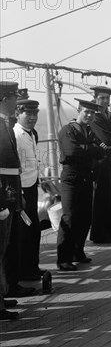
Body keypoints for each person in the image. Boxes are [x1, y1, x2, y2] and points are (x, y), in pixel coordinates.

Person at [56, 98, 105, 271]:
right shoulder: (68, 130)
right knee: (69, 217)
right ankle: (63, 258)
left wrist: (89, 148)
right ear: (79, 111)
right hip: (71, 176)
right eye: (86, 112)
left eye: (92, 113)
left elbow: (103, 149)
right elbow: (70, 152)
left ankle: (78, 251)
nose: (89, 115)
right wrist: (91, 148)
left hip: (86, 176)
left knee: (85, 217)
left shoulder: (90, 131)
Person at [89, 86, 111, 244]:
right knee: (102, 198)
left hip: (110, 159)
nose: (104, 101)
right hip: (100, 161)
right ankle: (99, 234)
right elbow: (106, 139)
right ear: (95, 98)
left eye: (107, 98)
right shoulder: (95, 116)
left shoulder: (109, 115)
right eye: (101, 98)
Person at [13, 99, 43, 281]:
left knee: (34, 230)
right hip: (21, 190)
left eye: (35, 114)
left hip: (32, 187)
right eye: (28, 114)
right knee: (23, 233)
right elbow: (13, 167)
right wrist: (20, 195)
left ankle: (32, 267)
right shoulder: (15, 135)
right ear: (18, 114)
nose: (32, 117)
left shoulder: (31, 133)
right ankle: (23, 271)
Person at [0, 81, 22, 320]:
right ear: (5, 99)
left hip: (9, 194)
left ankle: (2, 295)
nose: (17, 102)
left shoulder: (6, 124)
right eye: (14, 98)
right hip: (3, 196)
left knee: (3, 247)